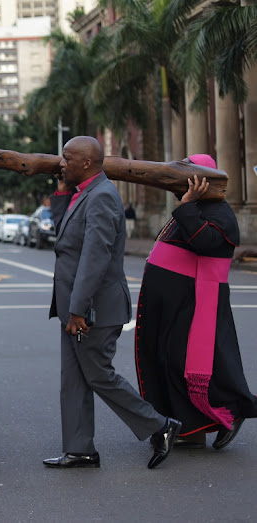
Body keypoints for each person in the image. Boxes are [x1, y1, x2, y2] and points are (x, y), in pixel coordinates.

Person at [44, 136, 180, 470]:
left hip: (93, 309)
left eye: (67, 159)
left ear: (87, 163)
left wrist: (78, 309)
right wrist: (62, 191)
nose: (60, 164)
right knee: (73, 379)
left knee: (98, 375)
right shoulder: (85, 193)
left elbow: (95, 257)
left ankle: (160, 426)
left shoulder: (102, 196)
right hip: (76, 307)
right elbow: (66, 238)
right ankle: (80, 449)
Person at [135, 153, 257, 450]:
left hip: (190, 304)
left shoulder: (219, 211)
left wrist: (187, 206)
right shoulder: (195, 206)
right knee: (166, 361)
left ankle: (229, 412)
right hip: (171, 302)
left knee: (181, 363)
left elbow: (204, 242)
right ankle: (189, 429)